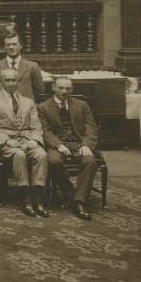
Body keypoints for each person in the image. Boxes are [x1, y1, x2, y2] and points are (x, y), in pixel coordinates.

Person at [0, 68, 49, 217]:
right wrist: (7, 141)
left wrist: (34, 140)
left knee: (41, 155)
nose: (11, 84)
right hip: (8, 143)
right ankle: (25, 198)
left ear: (19, 82)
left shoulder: (28, 102)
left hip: (28, 140)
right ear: (1, 82)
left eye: (14, 80)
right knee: (19, 155)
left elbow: (36, 125)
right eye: (7, 80)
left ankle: (38, 199)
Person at [38, 76, 101, 220]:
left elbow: (91, 128)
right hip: (57, 144)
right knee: (53, 161)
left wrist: (86, 145)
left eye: (68, 88)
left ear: (72, 89)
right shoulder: (43, 107)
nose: (64, 91)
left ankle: (79, 201)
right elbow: (45, 131)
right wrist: (58, 145)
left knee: (90, 161)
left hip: (79, 142)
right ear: (53, 87)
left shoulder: (82, 105)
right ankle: (70, 194)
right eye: (60, 88)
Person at [0, 33, 45, 100]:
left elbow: (39, 91)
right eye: (8, 45)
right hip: (1, 107)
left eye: (14, 44)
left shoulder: (32, 67)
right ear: (4, 47)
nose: (11, 47)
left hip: (25, 108)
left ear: (21, 46)